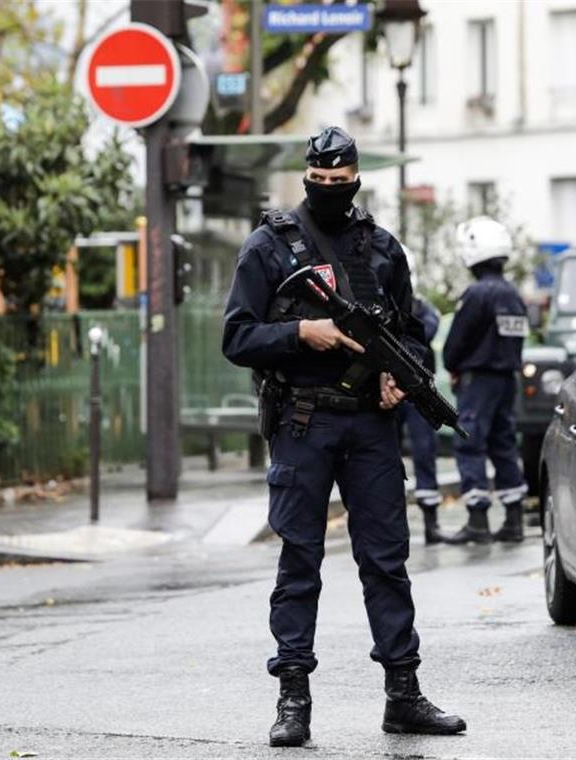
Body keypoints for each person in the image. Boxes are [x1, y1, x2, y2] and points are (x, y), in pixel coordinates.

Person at [222, 126, 466, 748]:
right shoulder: (269, 248)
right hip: (304, 421)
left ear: (357, 178)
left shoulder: (381, 248)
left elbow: (413, 335)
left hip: (370, 424)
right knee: (299, 561)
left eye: (342, 181)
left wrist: (399, 380)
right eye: (321, 181)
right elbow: (238, 337)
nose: (331, 189)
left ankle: (403, 694)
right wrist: (304, 333)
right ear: (308, 177)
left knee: (386, 561)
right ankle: (293, 699)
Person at [442, 217, 529, 545]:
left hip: (478, 382)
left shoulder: (477, 294)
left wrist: (452, 363)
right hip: (507, 380)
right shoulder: (513, 295)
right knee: (504, 444)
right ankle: (513, 519)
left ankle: (478, 521)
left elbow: (456, 342)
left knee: (470, 443)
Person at [398, 246, 449, 545]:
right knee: (385, 458)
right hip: (387, 394)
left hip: (417, 394)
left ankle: (431, 523)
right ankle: (391, 525)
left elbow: (427, 330)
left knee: (424, 454)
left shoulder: (422, 310)